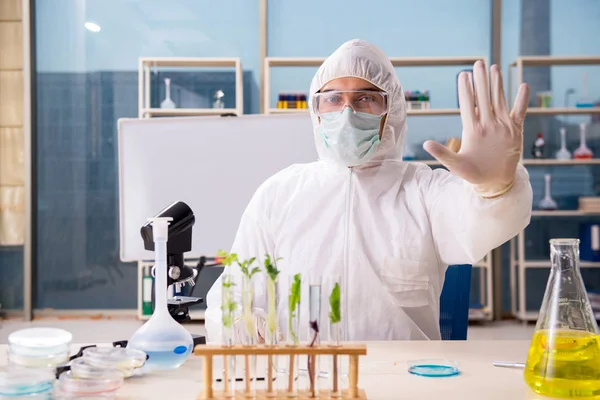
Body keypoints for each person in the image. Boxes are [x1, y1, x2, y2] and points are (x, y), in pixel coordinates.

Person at [205, 39, 532, 342]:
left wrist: (496, 187)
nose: (347, 112)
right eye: (333, 99)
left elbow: (480, 223)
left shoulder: (422, 189)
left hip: (406, 378)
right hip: (308, 377)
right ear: (316, 111)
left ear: (392, 110)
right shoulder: (280, 193)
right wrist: (244, 332)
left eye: (365, 98)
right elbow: (234, 293)